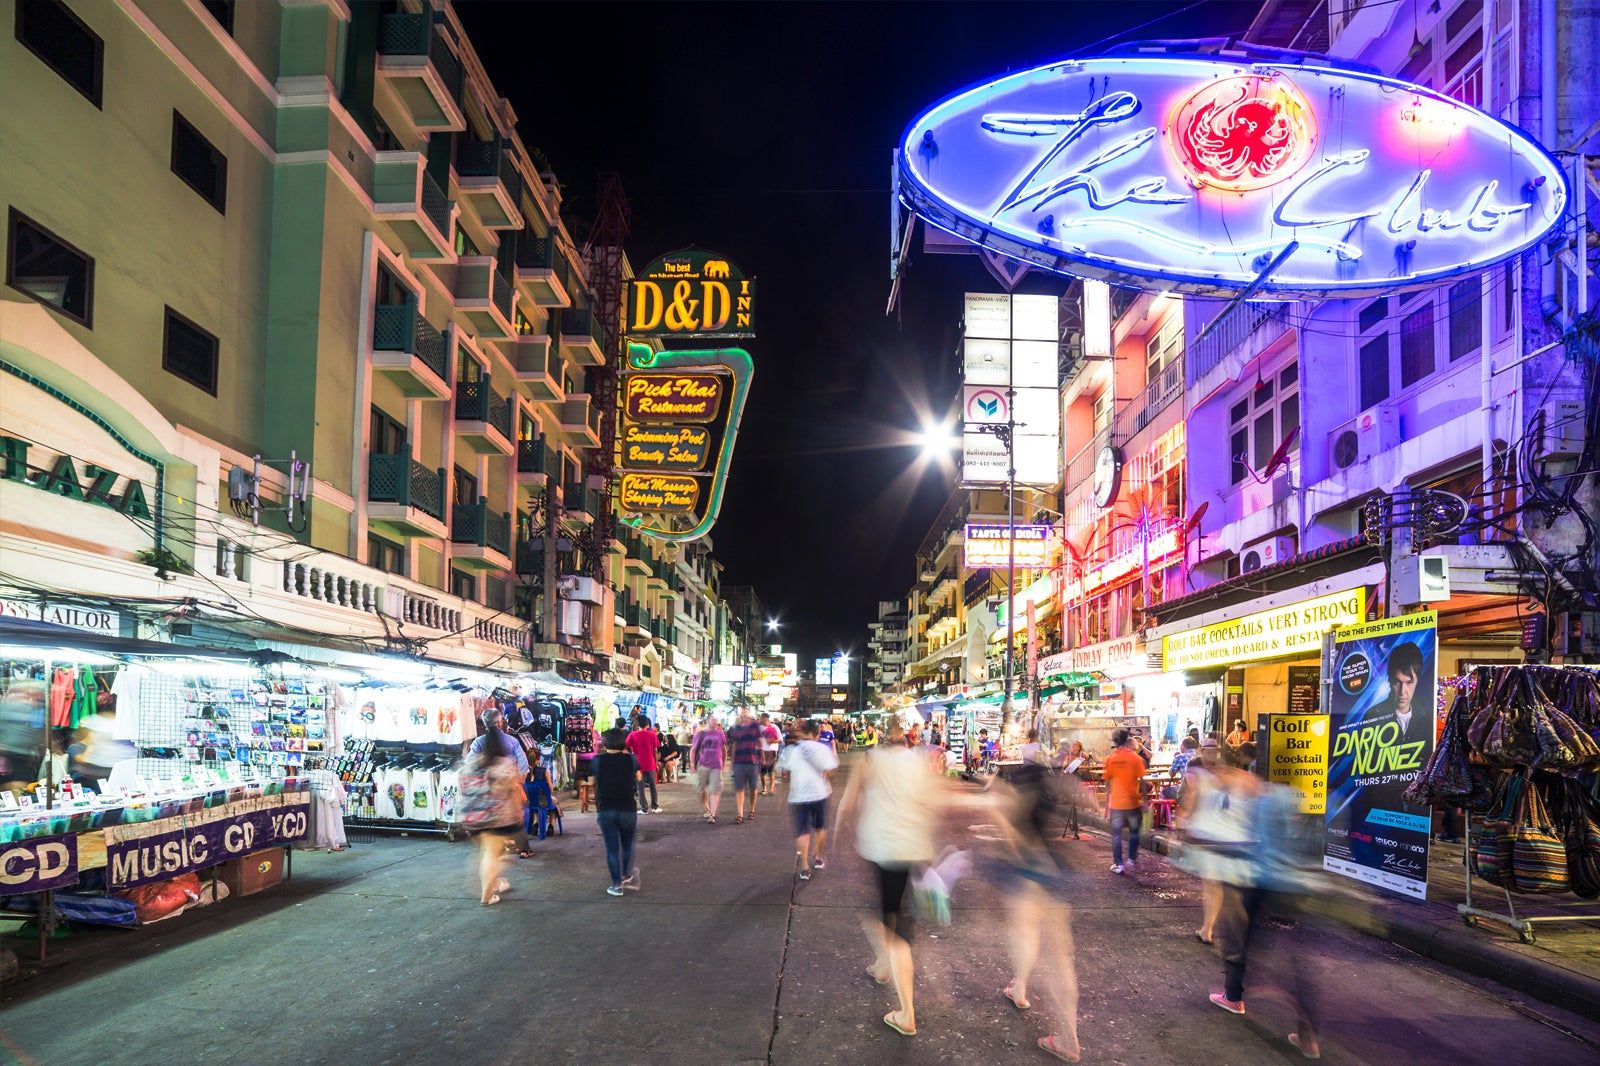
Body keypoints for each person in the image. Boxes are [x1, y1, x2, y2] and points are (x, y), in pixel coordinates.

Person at [836, 718, 940, 1038]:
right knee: (889, 910)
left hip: (885, 848)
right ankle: (882, 966)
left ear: (880, 736)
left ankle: (907, 1013)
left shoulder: (868, 760)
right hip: (912, 846)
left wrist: (839, 828)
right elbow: (931, 803)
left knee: (894, 927)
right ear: (907, 738)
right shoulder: (920, 762)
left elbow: (848, 802)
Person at [1209, 781, 1321, 1060]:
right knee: (1299, 960)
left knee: (1238, 937)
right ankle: (1309, 1039)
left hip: (1262, 880)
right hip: (1296, 884)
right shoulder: (1301, 799)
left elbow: (1247, 841)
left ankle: (1234, 996)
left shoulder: (1259, 800)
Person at [994, 760, 1081, 1063]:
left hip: (1028, 878)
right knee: (1060, 959)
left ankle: (1022, 992)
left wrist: (1001, 816)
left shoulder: (1017, 809)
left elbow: (1016, 845)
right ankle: (1020, 989)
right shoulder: (1046, 804)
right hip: (1055, 876)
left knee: (1026, 939)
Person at [1176, 737, 1255, 945]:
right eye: (1208, 750)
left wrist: (1184, 824)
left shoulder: (1199, 772)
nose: (1211, 754)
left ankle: (1210, 928)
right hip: (1229, 836)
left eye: (1214, 750)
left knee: (1214, 885)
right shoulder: (1233, 774)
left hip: (1212, 834)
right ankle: (1210, 928)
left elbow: (1191, 797)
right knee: (1220, 885)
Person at [460, 721, 525, 906]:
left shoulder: (471, 764)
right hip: (497, 818)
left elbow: (464, 788)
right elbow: (514, 792)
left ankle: (496, 883)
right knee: (493, 856)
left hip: (473, 817)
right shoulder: (504, 764)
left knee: (489, 853)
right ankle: (486, 896)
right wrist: (518, 816)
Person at [780, 719, 840, 880]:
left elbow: (784, 774)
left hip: (798, 795)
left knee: (802, 831)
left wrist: (785, 788)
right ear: (817, 733)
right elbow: (832, 773)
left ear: (801, 732)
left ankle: (805, 866)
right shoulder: (822, 748)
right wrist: (825, 774)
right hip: (820, 793)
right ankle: (819, 857)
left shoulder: (790, 750)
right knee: (820, 828)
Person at [470, 708, 533, 858]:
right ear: (500, 722)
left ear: (485, 724)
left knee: (493, 820)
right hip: (509, 787)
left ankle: (496, 849)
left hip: (488, 789)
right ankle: (523, 848)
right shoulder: (512, 741)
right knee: (516, 818)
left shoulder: (478, 742)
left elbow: (470, 764)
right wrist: (518, 783)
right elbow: (524, 766)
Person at [594, 728, 642, 897]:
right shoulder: (632, 759)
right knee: (628, 844)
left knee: (612, 849)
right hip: (628, 808)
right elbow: (639, 778)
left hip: (607, 809)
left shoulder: (597, 761)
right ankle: (627, 875)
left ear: (605, 743)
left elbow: (594, 781)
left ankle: (617, 886)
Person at [1102, 729, 1145, 874]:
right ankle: (1132, 859)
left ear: (1115, 742)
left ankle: (1118, 864)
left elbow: (1108, 783)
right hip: (1133, 802)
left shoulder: (1110, 759)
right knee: (1134, 832)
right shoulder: (1136, 759)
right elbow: (1142, 780)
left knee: (1116, 835)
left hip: (1116, 804)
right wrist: (1144, 800)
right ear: (1128, 740)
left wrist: (1107, 805)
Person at [727, 709, 764, 824]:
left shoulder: (755, 726)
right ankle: (740, 813)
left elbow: (759, 741)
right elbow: (735, 744)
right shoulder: (736, 728)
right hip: (739, 761)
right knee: (740, 788)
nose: (743, 717)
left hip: (753, 761)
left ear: (749, 716)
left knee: (753, 787)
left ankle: (752, 810)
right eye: (742, 715)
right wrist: (732, 761)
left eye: (745, 715)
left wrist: (762, 755)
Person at [690, 716, 727, 823]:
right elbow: (693, 749)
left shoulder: (720, 733)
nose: (715, 722)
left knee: (715, 790)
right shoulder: (701, 734)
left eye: (716, 720)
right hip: (703, 764)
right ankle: (706, 807)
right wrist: (692, 763)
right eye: (713, 720)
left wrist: (723, 762)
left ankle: (712, 814)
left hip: (716, 765)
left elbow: (724, 749)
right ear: (707, 721)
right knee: (701, 789)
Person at [626, 716, 661, 813]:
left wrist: (632, 754)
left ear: (637, 724)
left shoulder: (632, 735)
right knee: (653, 786)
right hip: (651, 763)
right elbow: (655, 750)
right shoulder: (652, 735)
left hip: (638, 765)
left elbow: (626, 746)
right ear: (647, 724)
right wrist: (656, 763)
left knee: (640, 787)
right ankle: (655, 807)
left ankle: (644, 809)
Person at [758, 712, 783, 796]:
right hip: (762, 752)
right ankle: (764, 788)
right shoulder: (759, 728)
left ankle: (772, 788)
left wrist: (772, 741)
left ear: (766, 719)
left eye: (762, 719)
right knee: (762, 772)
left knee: (771, 771)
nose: (760, 720)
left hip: (772, 751)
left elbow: (780, 740)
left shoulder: (775, 727)